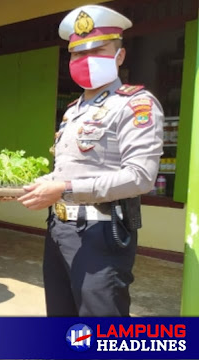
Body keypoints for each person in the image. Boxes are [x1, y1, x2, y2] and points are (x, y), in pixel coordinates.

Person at [18, 5, 164, 317]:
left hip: (101, 233)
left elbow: (140, 177)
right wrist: (43, 183)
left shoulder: (135, 104)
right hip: (59, 228)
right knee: (62, 319)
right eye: (77, 53)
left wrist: (64, 188)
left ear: (119, 56)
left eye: (98, 50)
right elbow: (67, 169)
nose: (85, 60)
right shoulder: (74, 110)